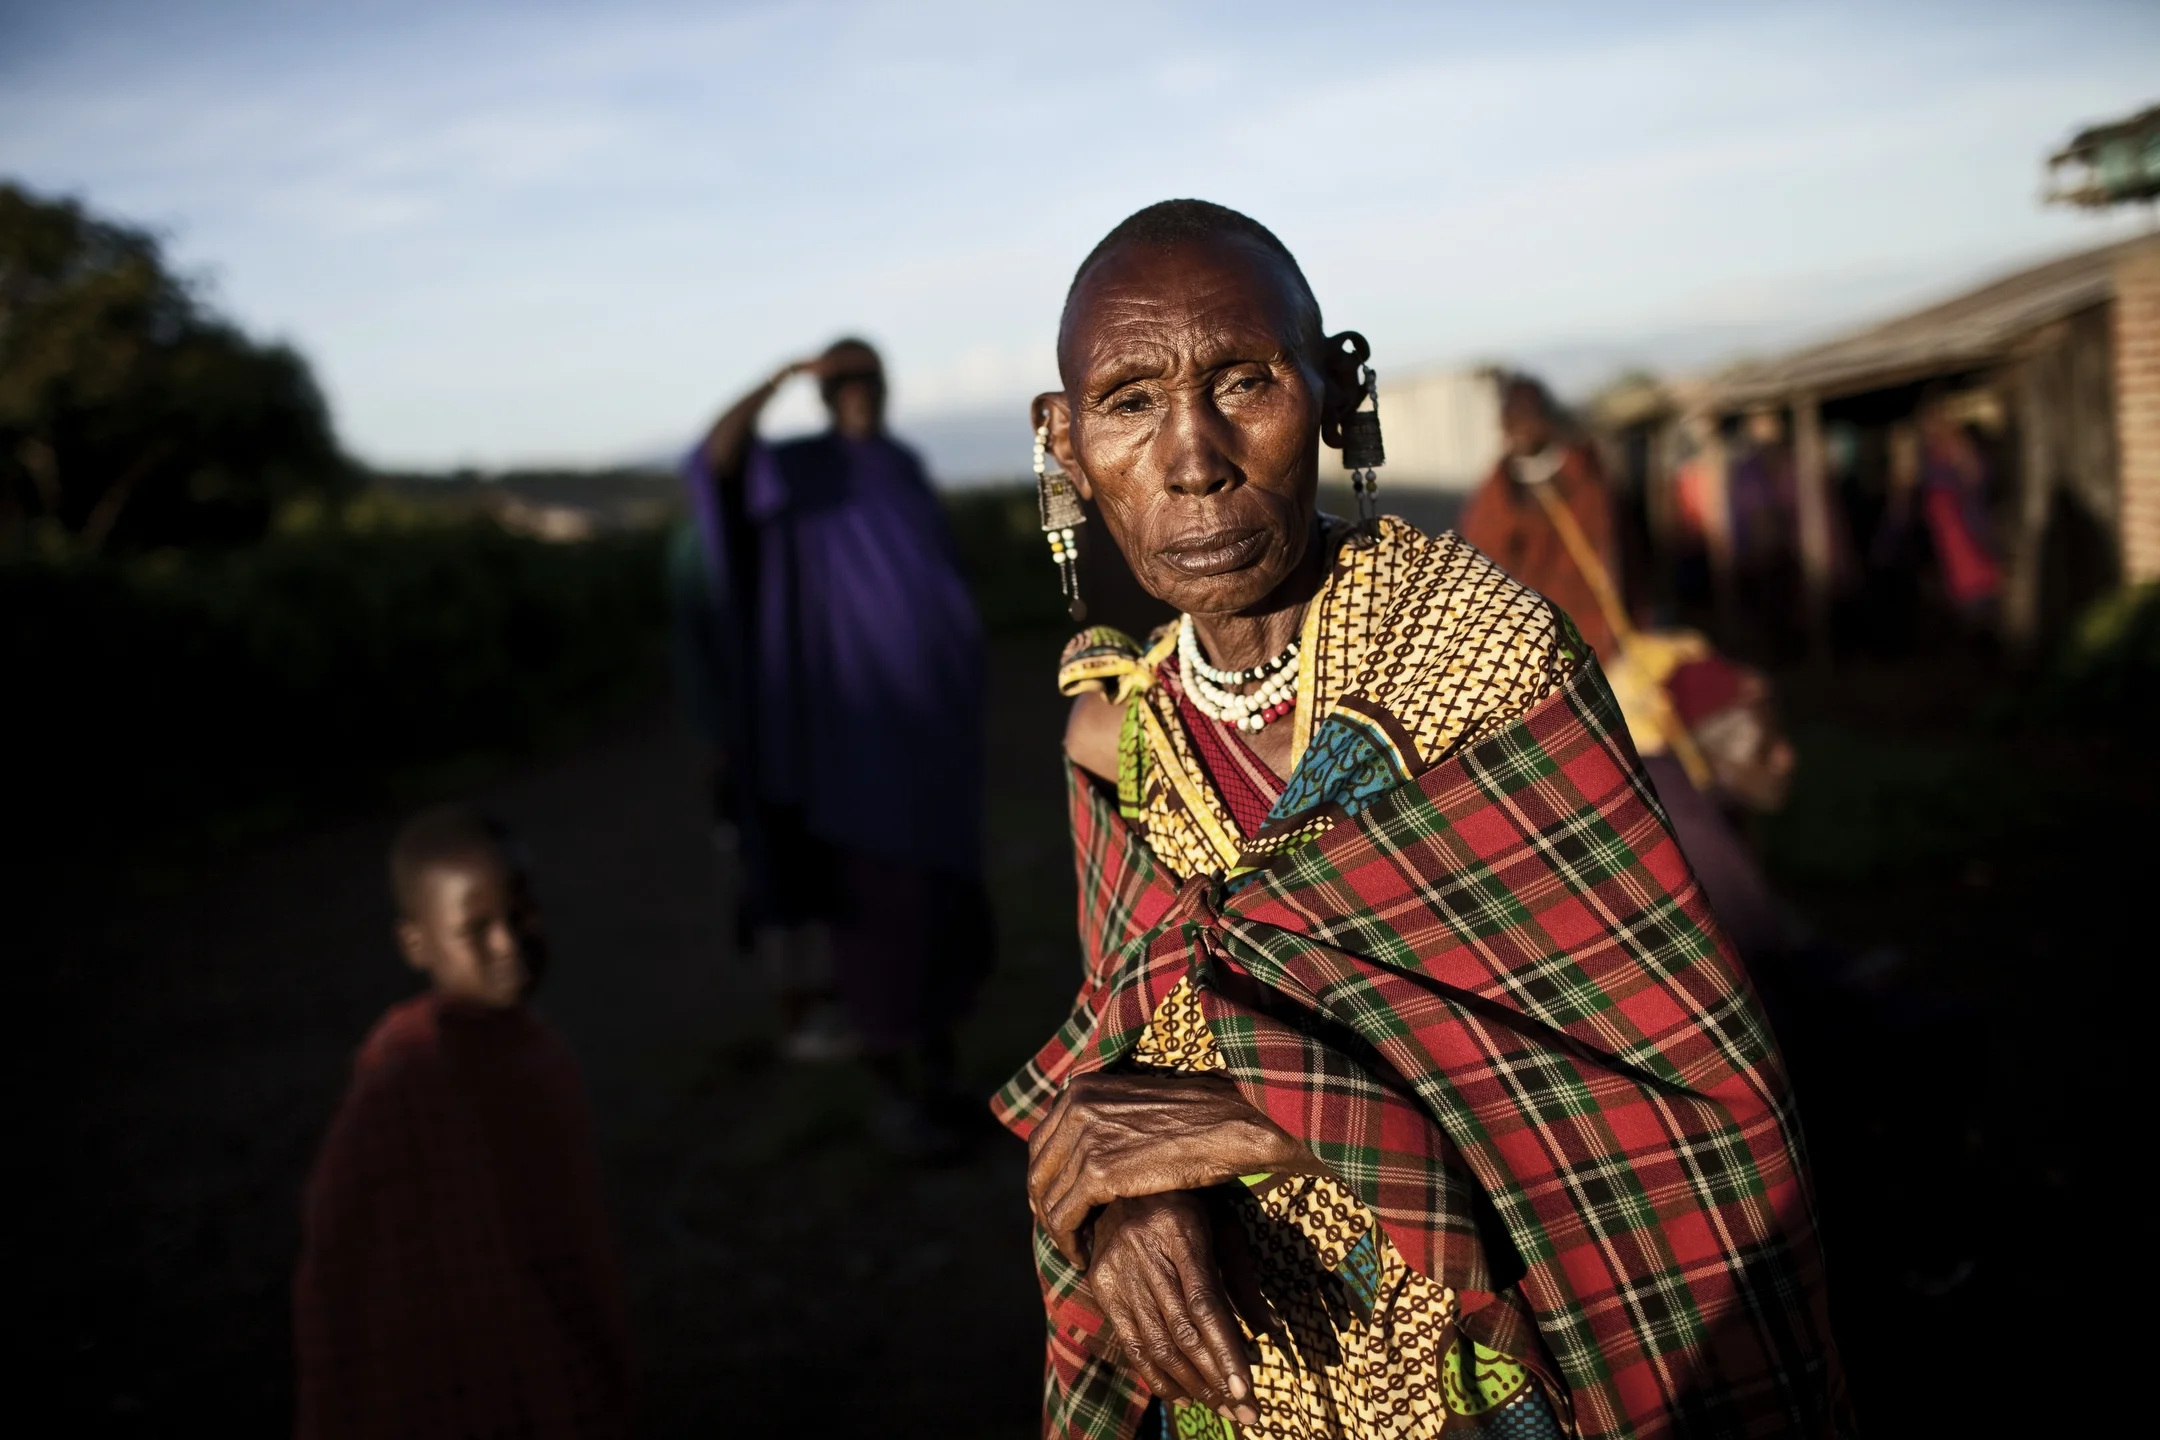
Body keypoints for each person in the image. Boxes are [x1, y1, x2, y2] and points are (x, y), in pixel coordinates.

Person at [999, 200, 1846, 1440]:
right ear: (1063, 446)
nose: (1193, 456)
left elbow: (1673, 1109)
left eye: (1246, 382)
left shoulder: (1481, 666)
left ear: (1340, 392)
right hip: (1256, 1393)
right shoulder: (1124, 735)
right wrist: (1134, 1202)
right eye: (1130, 401)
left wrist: (1253, 1129)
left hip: (1496, 1374)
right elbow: (1137, 1060)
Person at [684, 338, 991, 1155]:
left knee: (942, 914)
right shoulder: (797, 472)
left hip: (928, 735)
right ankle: (895, 1098)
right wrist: (777, 376)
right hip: (851, 743)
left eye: (870, 378)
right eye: (844, 381)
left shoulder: (901, 466)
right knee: (874, 920)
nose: (859, 393)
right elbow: (713, 458)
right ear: (825, 391)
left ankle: (944, 1078)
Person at [293, 805, 632, 1440]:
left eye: (520, 913)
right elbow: (345, 1261)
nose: (508, 945)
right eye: (475, 930)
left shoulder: (538, 1053)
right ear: (416, 943)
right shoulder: (409, 1075)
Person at [1457, 376, 1624, 666]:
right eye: (1512, 418)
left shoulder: (1585, 475)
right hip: (1528, 642)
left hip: (1591, 630)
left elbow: (1609, 551)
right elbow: (1480, 564)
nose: (1521, 427)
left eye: (1528, 416)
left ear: (1546, 418)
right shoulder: (1496, 493)